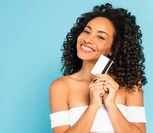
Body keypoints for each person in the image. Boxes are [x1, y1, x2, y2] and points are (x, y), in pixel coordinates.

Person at [49, 3, 146, 133]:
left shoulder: (131, 85)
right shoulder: (60, 87)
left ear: (113, 48)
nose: (88, 39)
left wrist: (111, 105)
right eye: (87, 31)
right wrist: (93, 106)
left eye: (100, 37)